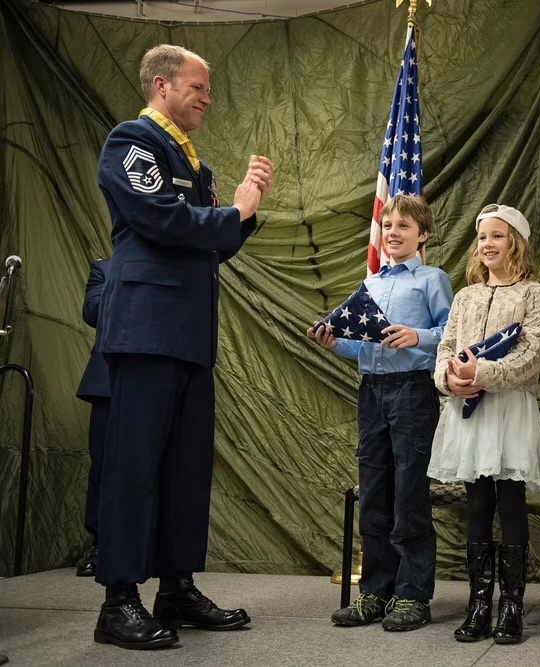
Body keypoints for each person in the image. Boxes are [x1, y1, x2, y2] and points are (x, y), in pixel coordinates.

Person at [93, 43, 273, 650]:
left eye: (208, 88)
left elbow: (211, 244)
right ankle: (119, 599)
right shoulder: (132, 142)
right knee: (135, 467)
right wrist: (236, 210)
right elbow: (163, 221)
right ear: (162, 86)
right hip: (146, 329)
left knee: (185, 471)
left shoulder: (195, 164)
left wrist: (244, 213)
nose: (207, 97)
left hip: (191, 334)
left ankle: (176, 585)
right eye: (198, 87)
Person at [308, 194, 452, 632]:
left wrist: (418, 336)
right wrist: (336, 344)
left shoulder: (432, 279)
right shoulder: (369, 283)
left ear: (422, 235)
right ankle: (375, 590)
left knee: (409, 491)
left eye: (404, 227)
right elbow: (363, 344)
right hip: (372, 392)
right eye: (387, 225)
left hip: (413, 392)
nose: (393, 233)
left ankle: (412, 595)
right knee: (374, 491)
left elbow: (451, 333)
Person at [428, 204, 540, 645]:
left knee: (511, 503)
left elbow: (532, 354)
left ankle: (513, 607)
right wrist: (450, 379)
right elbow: (445, 348)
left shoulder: (534, 293)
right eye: (482, 237)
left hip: (509, 408)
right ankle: (480, 602)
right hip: (469, 410)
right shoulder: (466, 297)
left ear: (515, 242)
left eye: (497, 236)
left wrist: (481, 375)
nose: (487, 244)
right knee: (477, 503)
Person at [74, 258, 111, 578]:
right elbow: (93, 312)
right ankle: (101, 545)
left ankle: (151, 549)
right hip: (108, 385)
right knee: (103, 465)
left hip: (156, 379)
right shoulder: (105, 270)